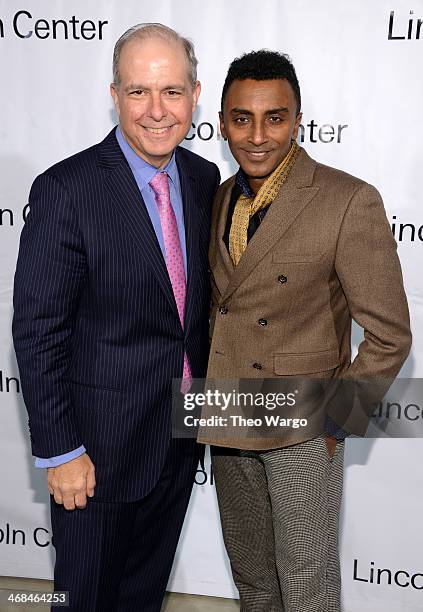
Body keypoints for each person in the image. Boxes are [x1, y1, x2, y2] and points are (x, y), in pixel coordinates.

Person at [12, 23, 219, 612]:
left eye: (172, 92)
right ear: (114, 94)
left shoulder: (204, 179)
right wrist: (61, 450)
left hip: (179, 438)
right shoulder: (66, 189)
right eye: (138, 92)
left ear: (196, 94)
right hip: (94, 453)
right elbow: (37, 329)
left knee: (143, 595)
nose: (156, 110)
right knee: (83, 598)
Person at [199, 50, 411, 612]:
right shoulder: (220, 196)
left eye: (275, 117)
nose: (258, 135)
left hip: (302, 423)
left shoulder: (347, 199)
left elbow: (390, 333)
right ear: (222, 122)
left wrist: (336, 418)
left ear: (298, 120)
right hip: (227, 414)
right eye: (242, 117)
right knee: (254, 582)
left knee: (307, 587)